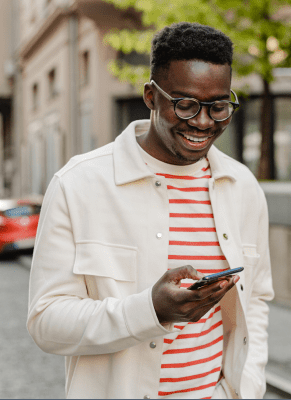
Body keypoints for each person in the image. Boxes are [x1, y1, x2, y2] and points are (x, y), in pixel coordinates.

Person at [27, 22, 274, 399]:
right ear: (150, 96)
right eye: (185, 104)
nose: (204, 122)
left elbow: (255, 301)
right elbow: (46, 322)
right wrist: (150, 311)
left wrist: (245, 389)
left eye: (219, 106)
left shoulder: (243, 188)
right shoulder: (77, 185)